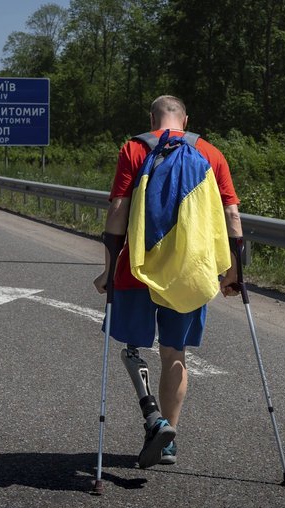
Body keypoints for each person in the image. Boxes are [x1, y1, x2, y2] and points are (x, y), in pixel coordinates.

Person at [93, 95, 243, 468]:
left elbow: (117, 213)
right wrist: (234, 273)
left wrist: (109, 270)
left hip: (137, 268)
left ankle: (152, 418)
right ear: (185, 120)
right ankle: (169, 440)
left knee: (131, 349)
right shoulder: (211, 153)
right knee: (175, 354)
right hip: (189, 274)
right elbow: (232, 218)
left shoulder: (134, 148)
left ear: (152, 118)